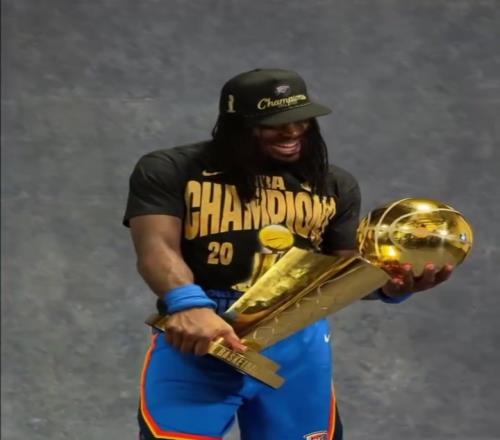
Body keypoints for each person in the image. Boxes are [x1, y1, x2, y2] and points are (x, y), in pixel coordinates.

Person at [123, 68, 453, 440]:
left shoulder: (334, 184)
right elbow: (156, 247)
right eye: (274, 123)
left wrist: (391, 285)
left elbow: (342, 269)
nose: (293, 131)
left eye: (301, 120)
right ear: (235, 125)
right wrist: (187, 304)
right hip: (202, 334)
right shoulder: (172, 169)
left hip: (297, 340)